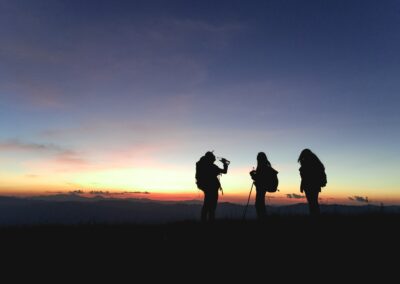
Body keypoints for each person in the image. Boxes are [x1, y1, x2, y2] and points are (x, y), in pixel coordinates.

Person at [195, 151, 229, 223]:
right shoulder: (212, 166)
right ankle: (210, 221)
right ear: (210, 158)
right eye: (213, 157)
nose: (214, 159)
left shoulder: (203, 165)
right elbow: (224, 171)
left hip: (206, 187)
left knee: (207, 204)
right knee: (212, 206)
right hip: (212, 188)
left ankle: (204, 221)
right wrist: (225, 164)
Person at [298, 149, 327, 217]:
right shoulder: (315, 162)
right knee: (313, 202)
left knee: (312, 203)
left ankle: (314, 217)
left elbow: (305, 176)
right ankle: (315, 216)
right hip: (315, 185)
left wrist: (302, 186)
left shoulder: (307, 162)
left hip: (309, 186)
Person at [249, 152, 277, 220]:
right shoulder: (266, 167)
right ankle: (263, 219)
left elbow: (259, 179)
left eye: (258, 158)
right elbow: (261, 178)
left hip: (262, 188)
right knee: (260, 203)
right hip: (263, 187)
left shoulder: (262, 167)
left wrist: (252, 175)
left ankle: (262, 219)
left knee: (259, 204)